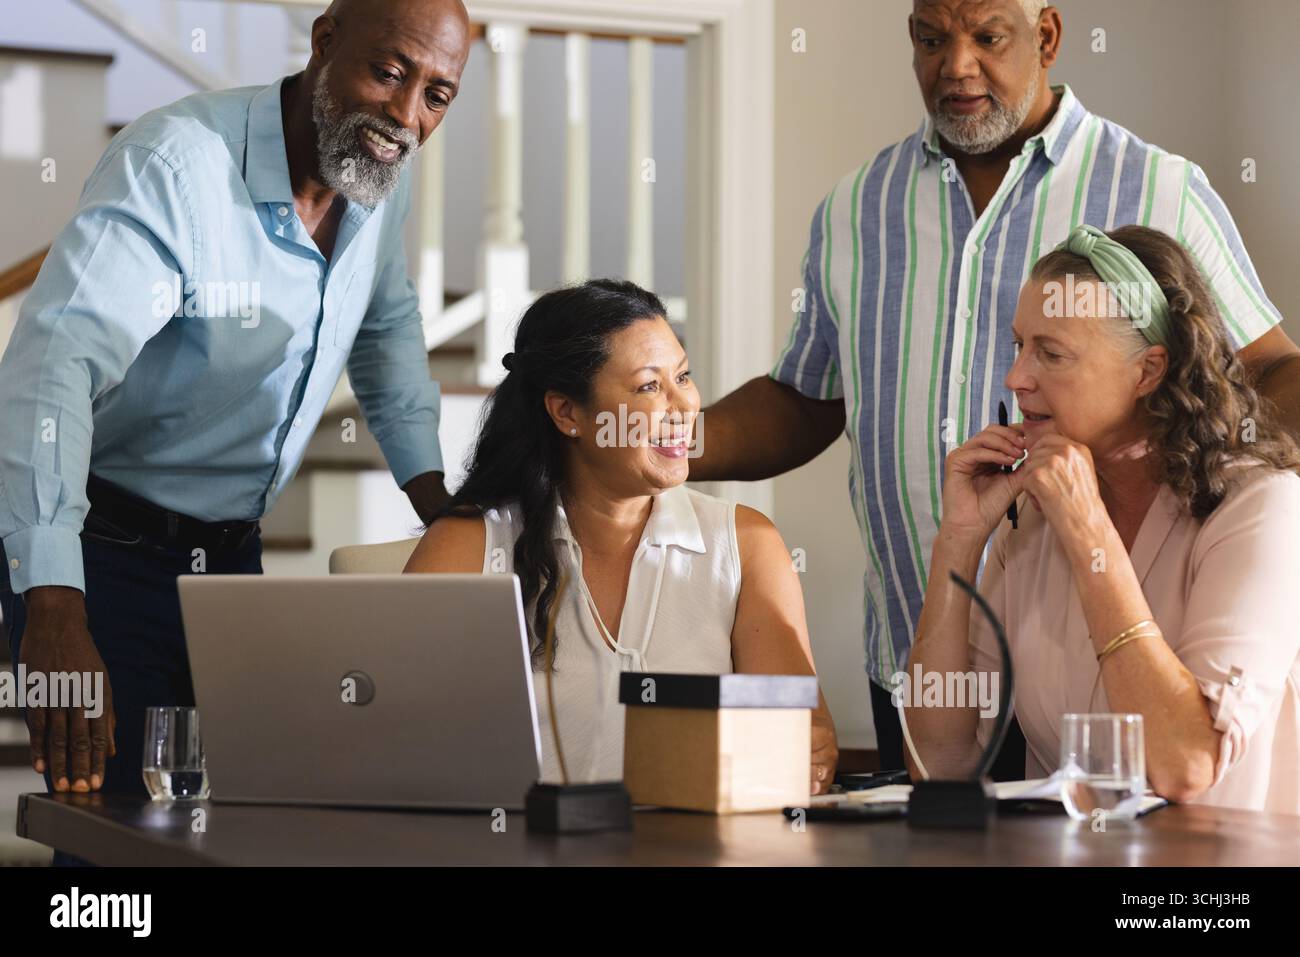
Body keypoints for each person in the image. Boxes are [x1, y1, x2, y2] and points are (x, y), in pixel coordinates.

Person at [689, 0, 1300, 773]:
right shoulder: (856, 209)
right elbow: (808, 397)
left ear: (1046, 36)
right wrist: (665, 442)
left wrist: (1228, 503)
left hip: (1146, 644)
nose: (956, 65)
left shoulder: (1160, 189)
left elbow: (1270, 370)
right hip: (929, 641)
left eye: (987, 36)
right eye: (930, 38)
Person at [0, 0, 472, 798]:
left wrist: (443, 507)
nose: (405, 115)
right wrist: (52, 600)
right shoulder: (176, 166)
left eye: (436, 94)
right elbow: (52, 370)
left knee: (229, 818)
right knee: (116, 830)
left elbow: (386, 332)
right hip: (102, 553)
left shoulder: (377, 174)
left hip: (229, 558)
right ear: (325, 40)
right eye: (388, 72)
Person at [905, 223, 1300, 813]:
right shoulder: (1030, 523)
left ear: (1147, 371)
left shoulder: (1260, 508)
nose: (1017, 379)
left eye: (1051, 353)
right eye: (1019, 346)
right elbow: (939, 764)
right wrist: (958, 541)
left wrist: (1088, 530)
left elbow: (1184, 763)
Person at [403, 280, 839, 792]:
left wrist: (799, 755)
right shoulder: (467, 546)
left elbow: (807, 744)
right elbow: (399, 738)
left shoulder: (746, 545)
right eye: (649, 386)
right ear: (567, 412)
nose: (684, 409)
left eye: (684, 376)